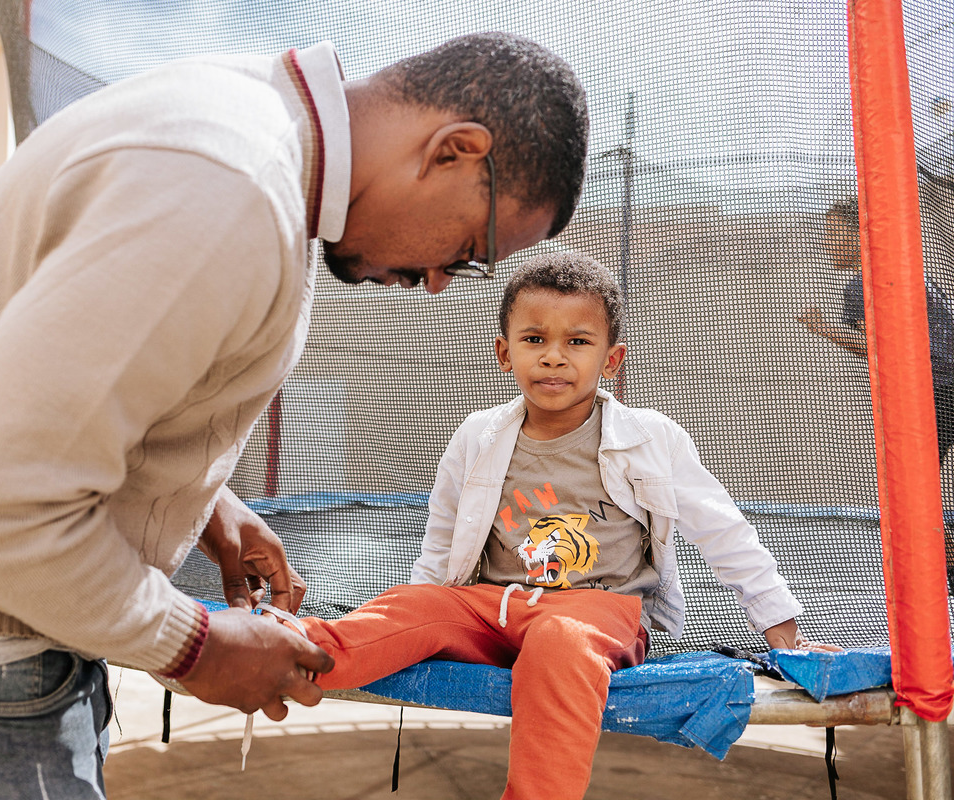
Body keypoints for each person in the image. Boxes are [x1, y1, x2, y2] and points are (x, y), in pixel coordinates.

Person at [0, 33, 591, 799]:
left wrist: (202, 503)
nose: (441, 282)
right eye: (469, 251)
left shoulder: (241, 118)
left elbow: (54, 392)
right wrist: (195, 645)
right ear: (454, 151)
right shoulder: (229, 191)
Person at [293, 252, 833, 800]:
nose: (553, 357)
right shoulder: (478, 436)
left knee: (559, 640)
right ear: (505, 353)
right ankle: (290, 653)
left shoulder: (649, 439)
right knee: (411, 607)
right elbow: (442, 536)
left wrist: (780, 625)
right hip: (492, 608)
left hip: (598, 613)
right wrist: (423, 607)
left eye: (577, 342)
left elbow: (723, 531)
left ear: (611, 359)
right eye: (534, 340)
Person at [797, 196, 954, 588]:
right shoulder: (908, 270)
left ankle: (943, 565)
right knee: (918, 488)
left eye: (835, 233)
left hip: (929, 391)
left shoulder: (862, 283)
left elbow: (874, 344)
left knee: (911, 490)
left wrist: (822, 328)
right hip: (943, 385)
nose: (827, 243)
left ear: (859, 235)